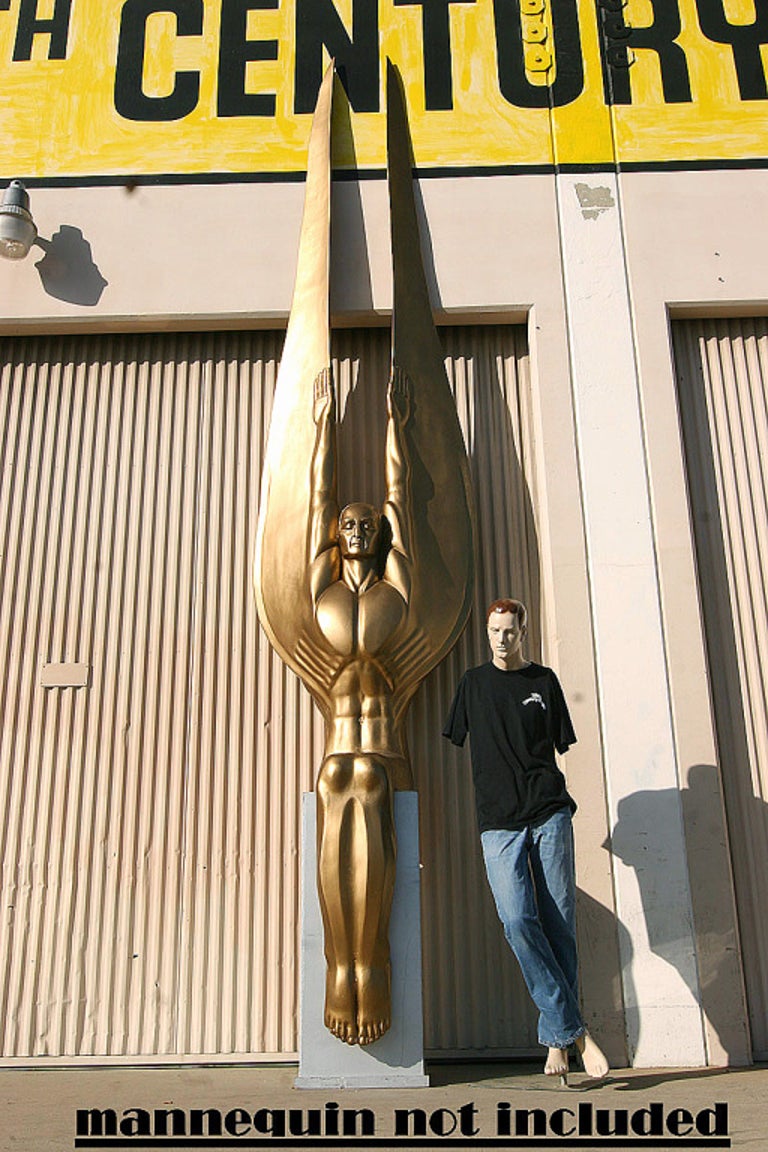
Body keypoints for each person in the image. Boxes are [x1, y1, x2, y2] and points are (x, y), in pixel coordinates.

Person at [443, 598, 609, 1079]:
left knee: (559, 927)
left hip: (549, 813)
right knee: (518, 920)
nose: (500, 639)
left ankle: (556, 1041)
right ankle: (575, 1031)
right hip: (498, 822)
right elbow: (456, 736)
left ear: (523, 632)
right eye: (494, 631)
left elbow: (562, 744)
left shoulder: (544, 682)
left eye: (509, 631)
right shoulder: (473, 684)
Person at [308, 366, 414, 1046]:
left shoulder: (396, 588)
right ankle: (337, 963)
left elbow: (401, 496)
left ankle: (369, 960)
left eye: (365, 522)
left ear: (377, 535)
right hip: (335, 744)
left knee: (368, 784)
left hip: (382, 746)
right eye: (348, 522)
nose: (353, 527)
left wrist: (395, 425)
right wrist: (322, 424)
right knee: (334, 783)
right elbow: (316, 498)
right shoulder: (320, 586)